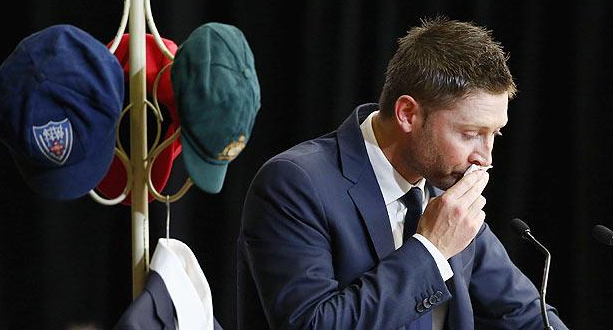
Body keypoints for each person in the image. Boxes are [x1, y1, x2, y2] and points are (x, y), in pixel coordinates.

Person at [236, 17, 568, 329]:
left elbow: (526, 314)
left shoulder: (444, 186)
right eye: (469, 134)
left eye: (494, 134)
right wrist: (432, 248)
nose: (484, 158)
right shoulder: (295, 182)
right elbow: (314, 323)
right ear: (408, 114)